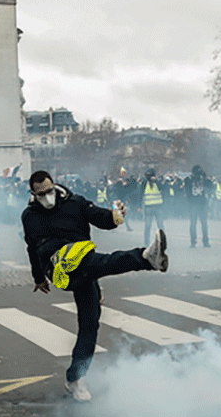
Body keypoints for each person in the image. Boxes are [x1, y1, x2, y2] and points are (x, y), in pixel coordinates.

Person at [23, 170, 168, 402]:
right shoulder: (30, 216)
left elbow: (102, 219)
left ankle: (75, 378)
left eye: (49, 191)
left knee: (90, 323)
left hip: (85, 266)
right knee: (77, 257)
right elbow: (31, 248)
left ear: (55, 187)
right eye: (40, 194)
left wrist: (116, 215)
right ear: (33, 194)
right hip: (57, 266)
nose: (46, 197)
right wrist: (39, 277)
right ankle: (144, 257)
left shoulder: (75, 203)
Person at [185, 165, 211, 248]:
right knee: (193, 223)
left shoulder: (203, 179)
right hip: (193, 204)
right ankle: (193, 241)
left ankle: (205, 241)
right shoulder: (189, 179)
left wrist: (204, 177)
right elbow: (186, 185)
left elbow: (210, 185)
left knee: (204, 223)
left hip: (202, 204)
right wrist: (194, 177)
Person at [140, 168, 165, 245]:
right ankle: (146, 243)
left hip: (158, 207)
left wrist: (156, 181)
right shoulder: (144, 183)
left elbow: (163, 188)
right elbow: (140, 194)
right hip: (149, 207)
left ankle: (162, 242)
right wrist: (139, 206)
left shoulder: (157, 182)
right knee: (147, 226)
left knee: (160, 226)